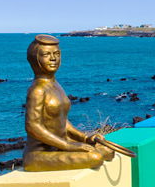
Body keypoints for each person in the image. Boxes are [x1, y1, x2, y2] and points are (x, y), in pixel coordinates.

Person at [23, 34, 115, 171]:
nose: (53, 58)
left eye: (57, 54)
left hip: (60, 147)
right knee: (96, 158)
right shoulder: (37, 90)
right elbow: (32, 126)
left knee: (108, 151)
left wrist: (85, 139)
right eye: (46, 54)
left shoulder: (56, 85)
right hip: (40, 154)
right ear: (35, 59)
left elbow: (63, 122)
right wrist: (67, 146)